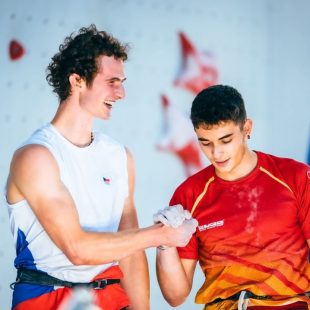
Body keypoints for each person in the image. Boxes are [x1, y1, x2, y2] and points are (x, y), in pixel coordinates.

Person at [5, 25, 198, 310]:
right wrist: (160, 235)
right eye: (112, 81)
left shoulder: (120, 156)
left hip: (110, 296)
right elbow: (77, 249)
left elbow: (130, 253)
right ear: (77, 80)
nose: (121, 93)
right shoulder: (35, 157)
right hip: (46, 298)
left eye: (122, 81)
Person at [155, 85, 310, 309]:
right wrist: (164, 243)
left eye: (225, 140)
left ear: (246, 127)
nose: (216, 153)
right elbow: (175, 297)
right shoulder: (189, 194)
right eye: (205, 143)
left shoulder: (295, 176)